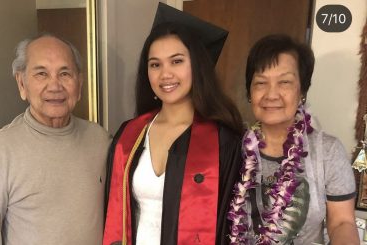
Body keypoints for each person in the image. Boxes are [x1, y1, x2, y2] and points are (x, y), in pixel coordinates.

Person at [103, 3, 243, 245]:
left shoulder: (223, 142)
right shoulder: (130, 134)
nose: (165, 74)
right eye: (155, 64)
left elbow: (229, 229)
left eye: (176, 61)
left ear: (196, 67)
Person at [0, 33, 111, 245]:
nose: (55, 86)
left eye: (65, 73)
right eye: (41, 74)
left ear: (80, 84)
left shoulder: (100, 140)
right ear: (22, 84)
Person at [228, 34, 359, 244]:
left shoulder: (328, 151)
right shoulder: (231, 146)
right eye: (261, 83)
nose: (272, 94)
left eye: (285, 82)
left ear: (302, 92)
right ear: (250, 92)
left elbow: (342, 223)